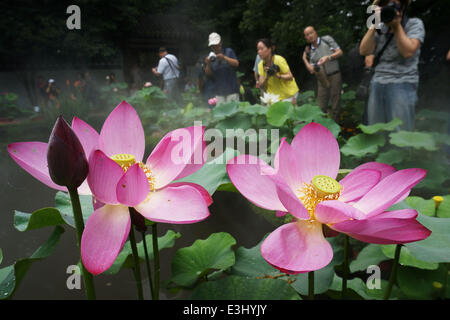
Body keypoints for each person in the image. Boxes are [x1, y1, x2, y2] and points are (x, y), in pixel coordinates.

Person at [360, 0, 425, 131]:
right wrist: (373, 25)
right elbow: (364, 51)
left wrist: (397, 26)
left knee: (401, 132)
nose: (388, 7)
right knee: (375, 129)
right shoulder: (380, 29)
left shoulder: (414, 24)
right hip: (378, 82)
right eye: (385, 4)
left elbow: (407, 52)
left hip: (403, 82)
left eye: (393, 3)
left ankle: (402, 152)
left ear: (403, 6)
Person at [302, 26, 343, 122]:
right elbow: (312, 70)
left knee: (335, 105)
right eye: (307, 35)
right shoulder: (310, 51)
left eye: (311, 33)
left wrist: (328, 58)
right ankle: (322, 130)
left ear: (315, 32)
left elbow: (340, 52)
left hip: (334, 75)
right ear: (306, 38)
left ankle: (335, 131)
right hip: (321, 79)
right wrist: (304, 59)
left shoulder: (327, 40)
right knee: (320, 107)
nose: (310, 36)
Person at [257, 38, 299, 104]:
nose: (259, 52)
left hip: (288, 95)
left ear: (270, 49)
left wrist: (278, 75)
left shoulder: (278, 60)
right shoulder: (260, 65)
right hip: (274, 98)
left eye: (261, 49)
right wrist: (267, 77)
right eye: (258, 49)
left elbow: (290, 77)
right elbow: (262, 85)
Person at [204, 32, 240, 105]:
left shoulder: (228, 51)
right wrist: (208, 64)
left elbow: (236, 63)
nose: (215, 47)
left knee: (233, 113)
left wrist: (224, 58)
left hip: (232, 90)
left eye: (216, 45)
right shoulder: (211, 57)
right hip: (219, 91)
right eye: (213, 46)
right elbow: (208, 75)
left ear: (220, 42)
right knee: (220, 114)